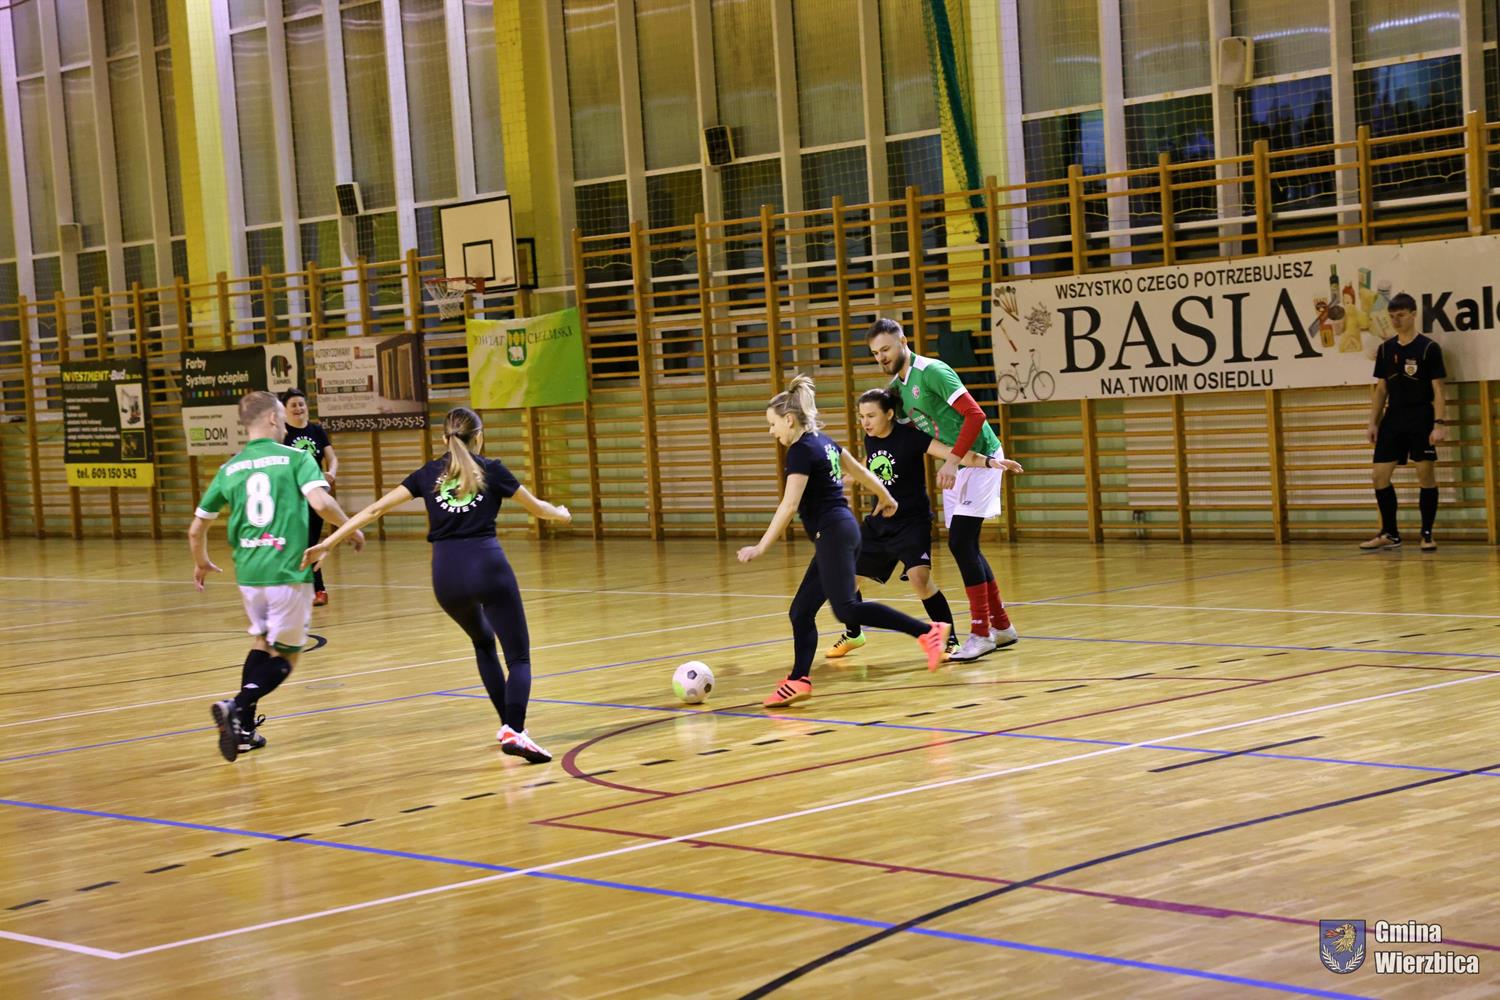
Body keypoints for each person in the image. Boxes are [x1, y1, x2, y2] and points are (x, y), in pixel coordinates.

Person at [303, 407, 570, 764]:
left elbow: (373, 511)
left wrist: (328, 542)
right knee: (518, 656)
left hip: (445, 576)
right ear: (479, 437)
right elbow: (537, 508)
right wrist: (561, 513)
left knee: (483, 642)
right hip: (487, 566)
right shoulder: (492, 469)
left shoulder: (427, 474)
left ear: (444, 438)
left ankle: (508, 727)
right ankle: (515, 730)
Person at [737, 374, 952, 708]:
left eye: (772, 424)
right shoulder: (825, 442)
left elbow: (789, 505)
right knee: (801, 611)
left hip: (834, 533)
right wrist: (886, 497)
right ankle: (798, 680)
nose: (771, 431)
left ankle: (927, 632)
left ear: (789, 419)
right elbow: (862, 472)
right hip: (842, 530)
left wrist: (761, 546)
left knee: (845, 608)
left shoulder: (800, 451)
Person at [190, 391, 364, 763]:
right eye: (283, 417)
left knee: (262, 643)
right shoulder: (296, 458)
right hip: (287, 569)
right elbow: (321, 503)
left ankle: (243, 731)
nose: (286, 424)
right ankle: (236, 705)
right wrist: (349, 527)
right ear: (272, 418)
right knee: (288, 655)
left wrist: (202, 561)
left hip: (249, 574)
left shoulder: (230, 468)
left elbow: (196, 528)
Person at [826, 387, 1021, 661]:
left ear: (889, 414)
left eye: (871, 416)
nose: (865, 422)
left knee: (920, 579)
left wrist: (990, 462)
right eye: (862, 417)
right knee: (848, 580)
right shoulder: (870, 439)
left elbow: (955, 454)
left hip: (912, 522)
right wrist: (840, 477)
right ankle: (854, 633)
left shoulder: (912, 437)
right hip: (880, 522)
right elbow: (867, 465)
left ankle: (949, 641)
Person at [867, 317, 1020, 661]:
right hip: (956, 463)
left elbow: (975, 415)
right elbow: (903, 437)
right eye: (875, 353)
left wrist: (951, 461)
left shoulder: (933, 371)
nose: (881, 357)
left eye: (886, 349)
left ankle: (980, 633)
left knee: (961, 543)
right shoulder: (896, 389)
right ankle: (1002, 626)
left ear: (903, 342)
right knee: (967, 547)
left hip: (978, 457)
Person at [1361, 292, 1446, 552]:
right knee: (1379, 475)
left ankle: (1427, 533)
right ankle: (1390, 533)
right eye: (1392, 316)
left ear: (1413, 314)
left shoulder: (1428, 348)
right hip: (1393, 418)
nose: (1396, 320)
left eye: (1400, 315)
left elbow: (1438, 390)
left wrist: (1439, 423)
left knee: (1425, 475)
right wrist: (1373, 422)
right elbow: (1381, 389)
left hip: (1421, 416)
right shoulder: (1386, 349)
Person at [280, 388, 339, 605]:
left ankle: (318, 589)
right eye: (293, 405)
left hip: (315, 494)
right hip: (292, 496)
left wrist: (331, 473)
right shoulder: (283, 432)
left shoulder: (316, 430)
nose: (298, 408)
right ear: (285, 410)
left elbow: (332, 458)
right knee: (294, 543)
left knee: (311, 541)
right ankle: (298, 588)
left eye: (301, 404)